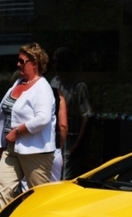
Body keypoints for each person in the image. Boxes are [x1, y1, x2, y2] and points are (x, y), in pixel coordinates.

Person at [0, 42, 56, 213]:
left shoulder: (42, 88)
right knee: (2, 189)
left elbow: (43, 118)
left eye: (22, 61)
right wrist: (1, 143)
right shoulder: (18, 83)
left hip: (36, 151)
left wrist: (17, 132)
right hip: (11, 149)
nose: (18, 64)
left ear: (35, 63)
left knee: (38, 198)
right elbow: (6, 114)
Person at [50, 47, 93, 179]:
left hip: (71, 141)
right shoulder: (54, 82)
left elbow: (88, 116)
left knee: (67, 178)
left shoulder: (78, 86)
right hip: (54, 140)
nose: (56, 66)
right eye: (54, 62)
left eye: (59, 62)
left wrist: (77, 145)